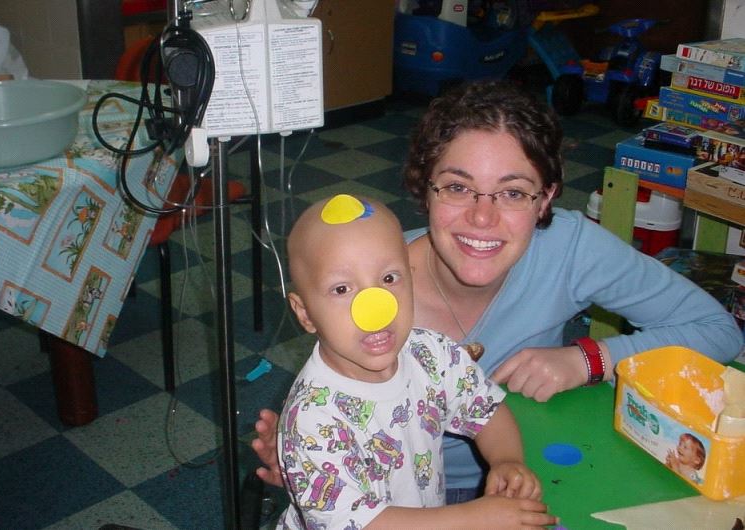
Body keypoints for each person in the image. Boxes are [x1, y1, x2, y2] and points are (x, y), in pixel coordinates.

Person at [255, 79, 743, 503]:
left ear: (545, 199)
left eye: (512, 192)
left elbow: (718, 330)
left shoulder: (570, 249)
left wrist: (588, 359)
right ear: (426, 188)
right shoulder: (367, 287)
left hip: (532, 468)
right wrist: (308, 463)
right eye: (457, 187)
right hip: (399, 499)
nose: (482, 218)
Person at [276, 193, 556, 528]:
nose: (375, 309)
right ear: (305, 313)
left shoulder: (431, 353)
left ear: (410, 277)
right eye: (341, 290)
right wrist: (473, 518)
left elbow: (486, 410)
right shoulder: (312, 419)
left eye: (389, 279)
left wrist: (506, 460)